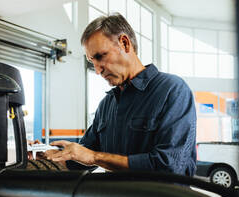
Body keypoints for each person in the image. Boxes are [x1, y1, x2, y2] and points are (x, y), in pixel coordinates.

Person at [45, 13, 197, 176]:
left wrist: (95, 157)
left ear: (125, 43)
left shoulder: (173, 90)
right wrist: (50, 156)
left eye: (100, 56)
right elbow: (82, 158)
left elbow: (169, 166)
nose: (97, 70)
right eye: (92, 62)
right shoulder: (107, 105)